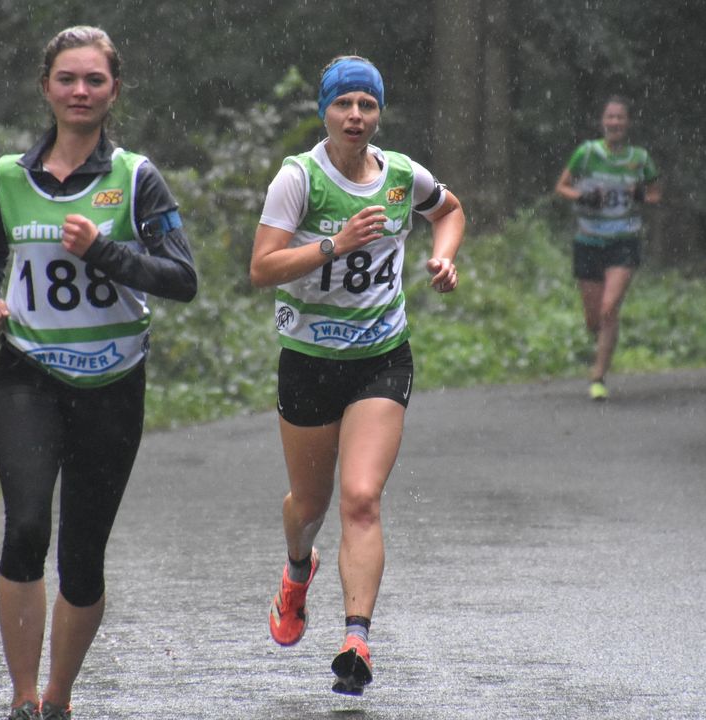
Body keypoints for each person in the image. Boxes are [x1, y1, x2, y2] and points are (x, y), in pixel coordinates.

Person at [0, 26, 196, 720]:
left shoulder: (136, 177)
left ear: (113, 91)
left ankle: (59, 699)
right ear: (46, 88)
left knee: (83, 552)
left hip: (112, 382)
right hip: (28, 373)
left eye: (94, 80)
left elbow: (182, 278)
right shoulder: (11, 174)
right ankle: (21, 699)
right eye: (67, 79)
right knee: (26, 527)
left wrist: (107, 252)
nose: (79, 91)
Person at [250, 55, 464, 696]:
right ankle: (296, 570)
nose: (355, 116)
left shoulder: (401, 175)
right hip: (309, 362)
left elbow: (450, 209)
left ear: (379, 113)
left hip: (381, 357)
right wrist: (333, 245)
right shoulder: (299, 179)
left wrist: (441, 256)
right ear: (324, 111)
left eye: (367, 105)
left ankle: (357, 639)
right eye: (344, 104)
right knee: (309, 508)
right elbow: (261, 268)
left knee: (362, 499)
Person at [554, 95, 661, 401]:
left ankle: (598, 376)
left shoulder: (639, 158)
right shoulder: (587, 154)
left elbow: (655, 194)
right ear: (603, 122)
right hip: (588, 239)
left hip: (624, 240)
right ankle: (603, 341)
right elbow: (562, 187)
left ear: (627, 123)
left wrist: (640, 193)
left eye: (620, 118)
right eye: (610, 117)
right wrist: (582, 197)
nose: (615, 123)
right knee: (593, 318)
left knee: (609, 308)